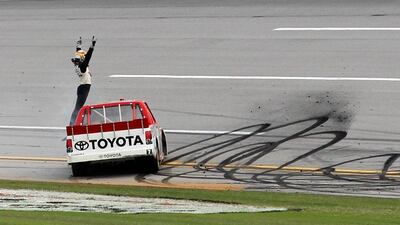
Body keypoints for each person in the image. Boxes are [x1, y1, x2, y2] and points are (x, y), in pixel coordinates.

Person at [69, 36, 97, 125]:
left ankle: (72, 125)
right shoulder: (82, 67)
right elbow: (88, 56)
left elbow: (80, 56)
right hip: (84, 88)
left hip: (82, 87)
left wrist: (78, 46)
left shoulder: (79, 65)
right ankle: (72, 126)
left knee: (78, 108)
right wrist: (92, 46)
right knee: (78, 108)